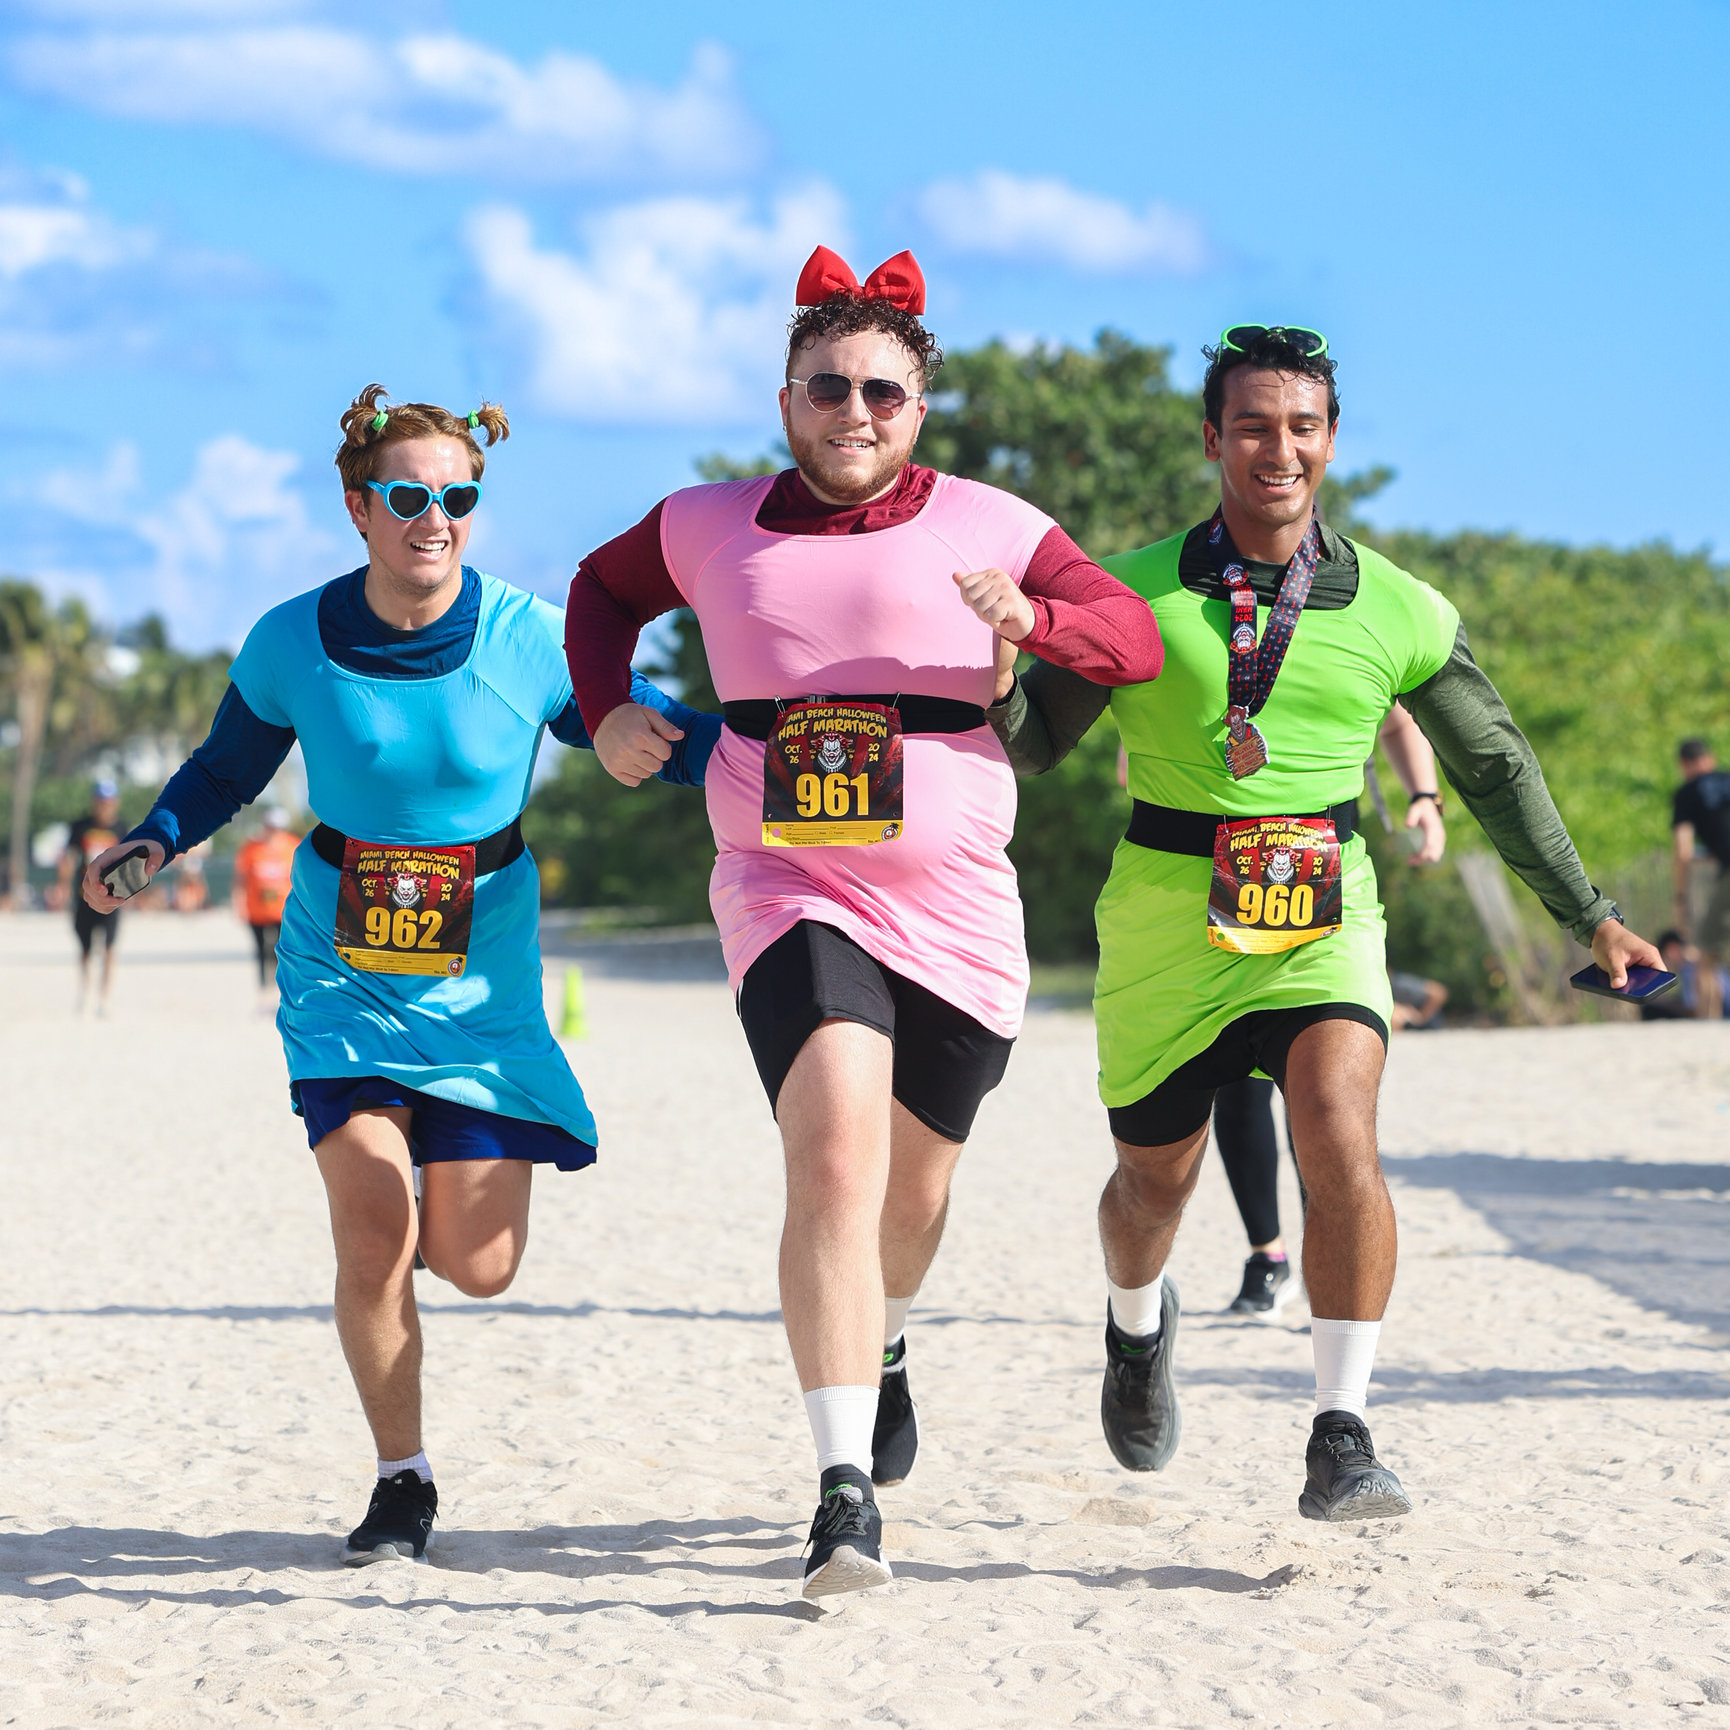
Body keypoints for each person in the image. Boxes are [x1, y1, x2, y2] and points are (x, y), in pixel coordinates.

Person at [564, 247, 1164, 1598]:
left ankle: (885, 1338)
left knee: (913, 1194)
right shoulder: (705, 521)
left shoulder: (991, 520)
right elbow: (599, 596)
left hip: (957, 907)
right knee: (831, 1159)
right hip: (788, 882)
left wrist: (1042, 615)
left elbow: (1134, 643)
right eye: (827, 387)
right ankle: (842, 1493)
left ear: (918, 408)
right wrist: (606, 706)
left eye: (881, 392)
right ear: (786, 399)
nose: (855, 412)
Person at [990, 323, 1660, 1521]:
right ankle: (1136, 1329)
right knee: (1153, 1184)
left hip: (1323, 908)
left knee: (1337, 1130)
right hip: (1163, 917)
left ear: (1332, 441)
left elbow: (1495, 767)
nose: (1277, 448)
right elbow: (1036, 744)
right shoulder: (1124, 588)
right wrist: (998, 672)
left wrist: (1591, 915)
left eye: (1300, 425)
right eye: (1251, 423)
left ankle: (1340, 1428)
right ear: (1211, 439)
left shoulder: (1399, 606)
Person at [82, 386, 718, 1565]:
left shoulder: (530, 634)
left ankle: (445, 1183)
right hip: (340, 960)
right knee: (371, 1228)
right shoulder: (289, 638)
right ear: (358, 507)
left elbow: (638, 724)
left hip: (484, 965)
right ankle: (400, 1480)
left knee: (480, 1265)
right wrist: (155, 839)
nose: (436, 517)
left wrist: (759, 759)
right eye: (410, 495)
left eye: (458, 496)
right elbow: (225, 766)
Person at [1215, 702, 1448, 1318]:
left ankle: (1327, 1267)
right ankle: (1267, 1257)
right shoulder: (1205, 612)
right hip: (1218, 866)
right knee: (1234, 1084)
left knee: (1319, 1093)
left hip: (1319, 862)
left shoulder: (1337, 612)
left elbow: (1398, 718)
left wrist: (1424, 794)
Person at [1671, 737, 1730, 1019]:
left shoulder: (1687, 793)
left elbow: (1683, 850)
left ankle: (1709, 1021)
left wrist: (1681, 898)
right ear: (1710, 758)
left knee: (1706, 954)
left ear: (1683, 765)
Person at [59, 777, 126, 1014]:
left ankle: (104, 999)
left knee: (109, 948)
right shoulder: (80, 827)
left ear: (115, 802)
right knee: (85, 948)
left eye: (108, 801)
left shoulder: (121, 828)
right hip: (84, 896)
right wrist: (62, 885)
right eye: (100, 801)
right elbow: (68, 858)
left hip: (113, 898)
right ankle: (85, 992)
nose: (104, 805)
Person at [234, 806, 301, 998]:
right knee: (261, 950)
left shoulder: (293, 846)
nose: (274, 830)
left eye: (277, 826)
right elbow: (240, 878)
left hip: (285, 910)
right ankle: (263, 989)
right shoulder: (251, 848)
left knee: (283, 951)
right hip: (256, 909)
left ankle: (283, 989)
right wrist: (237, 903)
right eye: (271, 825)